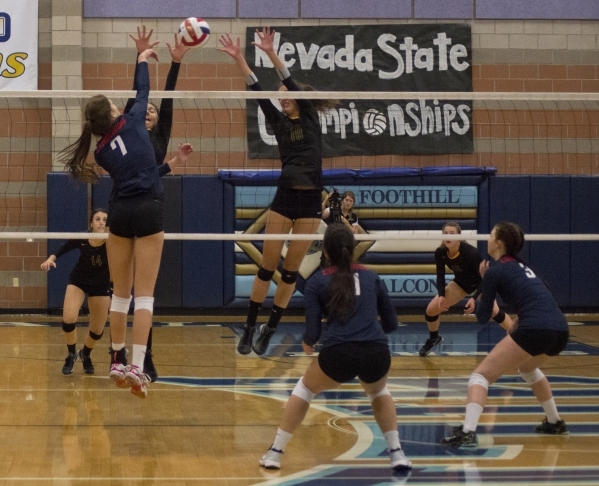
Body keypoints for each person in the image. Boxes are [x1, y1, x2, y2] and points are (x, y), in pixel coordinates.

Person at [57, 47, 193, 398]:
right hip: (148, 210)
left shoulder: (100, 150)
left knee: (120, 294)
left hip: (119, 213)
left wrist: (141, 59)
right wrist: (143, 58)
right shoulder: (135, 122)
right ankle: (138, 366)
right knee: (144, 297)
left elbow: (138, 98)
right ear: (116, 111)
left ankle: (116, 360)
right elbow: (143, 90)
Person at [219, 27, 338, 356]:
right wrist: (239, 57)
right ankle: (248, 326)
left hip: (310, 201)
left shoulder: (311, 118)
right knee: (267, 267)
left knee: (290, 273)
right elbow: (255, 87)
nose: (282, 95)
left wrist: (271, 51)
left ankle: (271, 327)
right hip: (285, 198)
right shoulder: (278, 120)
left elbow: (287, 75)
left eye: (287, 92)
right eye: (280, 93)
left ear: (298, 95)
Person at [258, 223, 412, 471]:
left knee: (304, 390)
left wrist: (308, 343)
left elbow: (312, 333)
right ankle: (397, 453)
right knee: (379, 392)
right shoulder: (372, 276)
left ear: (325, 251)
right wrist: (366, 335)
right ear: (352, 248)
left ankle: (275, 453)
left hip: (339, 352)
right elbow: (392, 324)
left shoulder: (316, 282)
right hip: (377, 351)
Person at [442, 221, 569, 447]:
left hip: (535, 329)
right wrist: (519, 319)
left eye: (491, 235)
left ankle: (468, 432)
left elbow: (482, 317)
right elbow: (543, 293)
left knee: (480, 377)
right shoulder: (523, 266)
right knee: (527, 368)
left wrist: (482, 286)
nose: (487, 239)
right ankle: (555, 421)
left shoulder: (495, 270)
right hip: (560, 329)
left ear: (499, 242)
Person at [118, 26, 190, 382]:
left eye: (152, 113)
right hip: (125, 208)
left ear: (158, 120)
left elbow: (169, 97)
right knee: (123, 290)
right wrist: (140, 59)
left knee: (145, 293)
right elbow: (137, 96)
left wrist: (175, 63)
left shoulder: (159, 135)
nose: (147, 114)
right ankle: (119, 354)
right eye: (143, 112)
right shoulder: (129, 131)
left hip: (149, 210)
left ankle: (145, 358)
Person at [419, 221, 513, 356]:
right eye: (445, 233)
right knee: (431, 311)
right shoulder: (440, 252)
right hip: (461, 284)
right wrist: (441, 296)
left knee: (494, 312)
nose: (448, 236)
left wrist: (474, 298)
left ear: (459, 237)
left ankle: (519, 337)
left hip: (482, 284)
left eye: (452, 234)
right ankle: (434, 338)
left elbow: (485, 279)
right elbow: (440, 275)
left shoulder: (470, 253)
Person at [41, 209, 111, 375]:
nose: (101, 222)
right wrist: (50, 260)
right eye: (98, 219)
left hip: (101, 285)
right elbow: (63, 247)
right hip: (79, 280)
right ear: (91, 224)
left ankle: (85, 354)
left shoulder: (113, 240)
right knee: (68, 319)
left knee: (97, 331)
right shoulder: (83, 237)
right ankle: (71, 354)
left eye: (105, 219)